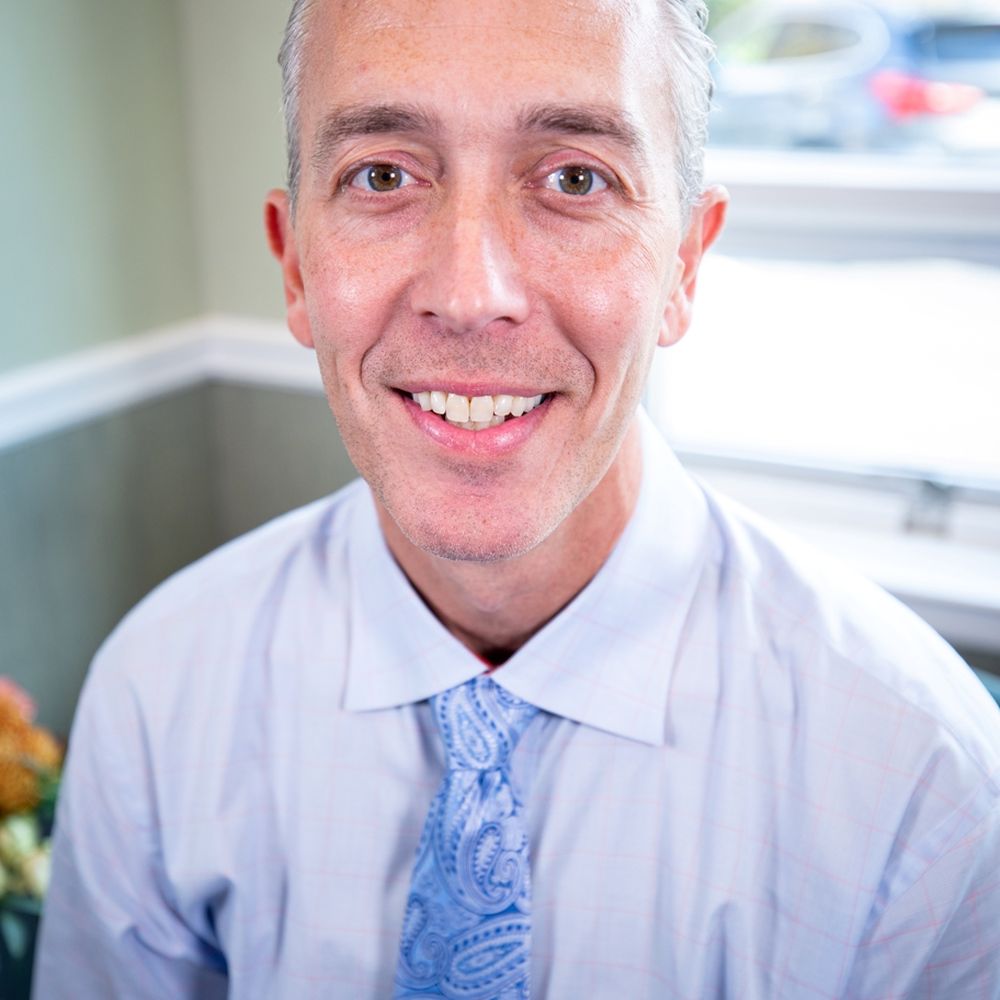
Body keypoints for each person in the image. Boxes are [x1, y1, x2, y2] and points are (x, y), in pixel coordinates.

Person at [33, 0, 1000, 995]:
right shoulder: (156, 697)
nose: (470, 294)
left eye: (576, 178)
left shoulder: (922, 785)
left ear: (682, 263)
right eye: (382, 175)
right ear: (294, 266)